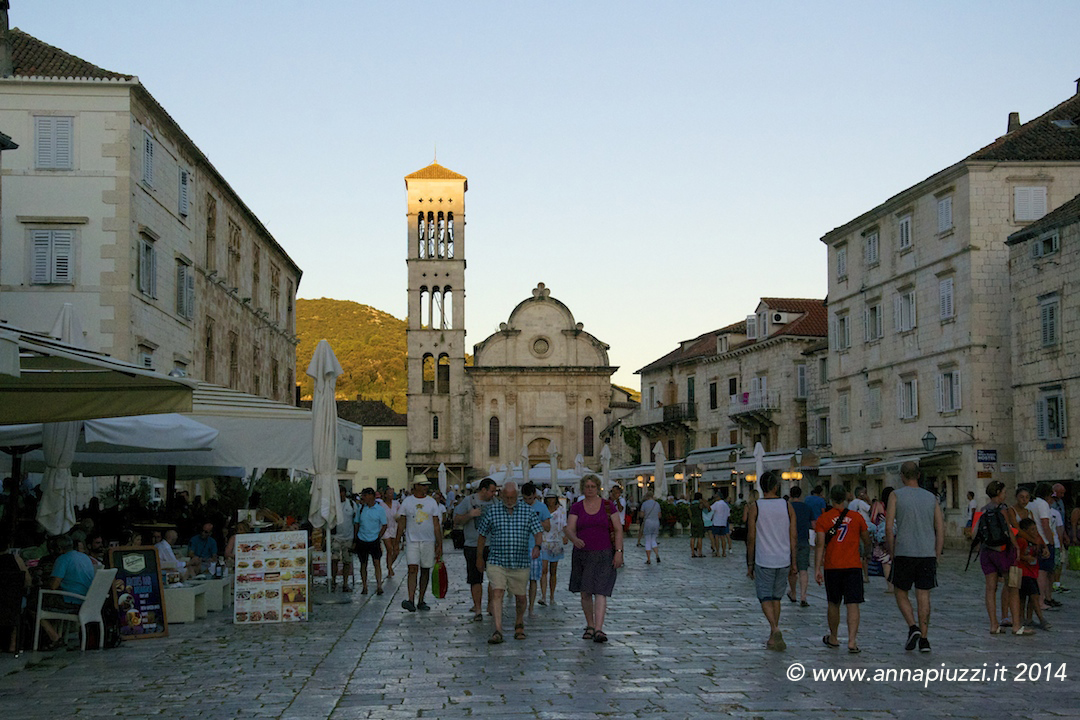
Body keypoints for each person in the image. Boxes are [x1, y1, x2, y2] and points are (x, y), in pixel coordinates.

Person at [885, 461, 944, 653]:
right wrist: (937, 551)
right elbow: (940, 527)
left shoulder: (896, 496)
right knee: (923, 594)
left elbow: (888, 526)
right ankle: (925, 639)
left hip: (904, 550)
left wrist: (892, 550)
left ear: (902, 475)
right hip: (926, 552)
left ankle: (913, 626)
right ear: (919, 475)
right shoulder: (931, 498)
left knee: (900, 591)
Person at [475, 481, 543, 644]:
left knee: (520, 597)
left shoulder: (528, 511)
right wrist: (479, 557)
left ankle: (519, 623)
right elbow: (482, 535)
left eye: (513, 497)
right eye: (507, 497)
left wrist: (537, 546)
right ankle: (498, 629)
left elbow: (538, 531)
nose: (510, 500)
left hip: (520, 562)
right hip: (497, 560)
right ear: (502, 495)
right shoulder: (492, 511)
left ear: (517, 496)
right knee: (497, 592)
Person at [565, 474, 623, 644]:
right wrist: (574, 539)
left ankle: (598, 628)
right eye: (587, 486)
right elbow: (569, 528)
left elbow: (618, 529)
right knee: (585, 591)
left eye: (593, 486)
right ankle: (589, 625)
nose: (589, 489)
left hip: (604, 553)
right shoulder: (577, 507)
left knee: (601, 591)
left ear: (598, 488)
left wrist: (619, 551)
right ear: (583, 488)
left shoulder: (608, 506)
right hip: (583, 554)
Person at [745, 470, 797, 651]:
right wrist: (794, 561)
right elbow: (794, 536)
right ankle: (772, 636)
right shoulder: (787, 506)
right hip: (783, 558)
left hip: (764, 558)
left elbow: (751, 537)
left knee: (764, 596)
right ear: (776, 486)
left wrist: (749, 564)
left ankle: (774, 628)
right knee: (776, 598)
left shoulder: (756, 507)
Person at [815, 484, 871, 653]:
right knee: (853, 603)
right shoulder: (857, 518)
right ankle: (852, 641)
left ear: (831, 498)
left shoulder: (823, 519)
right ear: (846, 498)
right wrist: (866, 554)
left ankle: (833, 637)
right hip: (853, 565)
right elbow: (867, 540)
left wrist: (817, 568)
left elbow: (819, 545)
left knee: (833, 603)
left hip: (833, 566)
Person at [976, 481, 1025, 636]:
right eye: (1004, 492)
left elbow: (974, 534)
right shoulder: (1004, 509)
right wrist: (1017, 547)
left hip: (987, 552)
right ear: (998, 493)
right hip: (1004, 551)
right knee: (1013, 587)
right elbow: (1010, 530)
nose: (1005, 494)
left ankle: (993, 625)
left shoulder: (982, 510)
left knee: (990, 588)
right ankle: (1017, 626)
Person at [38, 534, 95, 650]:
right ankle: (56, 635)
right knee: (48, 600)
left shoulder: (62, 559)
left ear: (59, 549)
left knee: (34, 605)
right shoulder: (85, 557)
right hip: (87, 600)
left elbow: (54, 586)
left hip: (72, 601)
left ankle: (54, 637)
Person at [453, 478, 497, 621]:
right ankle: (478, 608)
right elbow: (456, 520)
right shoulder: (468, 500)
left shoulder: (496, 503)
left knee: (494, 577)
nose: (493, 494)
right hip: (472, 544)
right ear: (483, 489)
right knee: (475, 578)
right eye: (491, 491)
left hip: (492, 544)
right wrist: (469, 515)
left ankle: (490, 605)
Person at [397, 476, 442, 612]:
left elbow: (436, 524)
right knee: (412, 569)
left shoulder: (432, 502)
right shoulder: (407, 502)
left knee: (425, 569)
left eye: (426, 485)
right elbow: (402, 522)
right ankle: (411, 599)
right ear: (416, 485)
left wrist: (439, 544)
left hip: (428, 540)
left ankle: (421, 599)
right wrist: (396, 541)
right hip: (412, 540)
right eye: (422, 485)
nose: (425, 487)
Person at [520, 482, 552, 614]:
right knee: (520, 579)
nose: (528, 501)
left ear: (534, 495)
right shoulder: (519, 506)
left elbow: (548, 527)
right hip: (520, 546)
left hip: (534, 546)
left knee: (533, 579)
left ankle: (531, 607)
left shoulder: (541, 507)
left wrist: (535, 522)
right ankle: (521, 605)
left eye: (530, 499)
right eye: (525, 499)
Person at [1015, 518, 1050, 631]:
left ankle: (1028, 619)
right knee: (1033, 595)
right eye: (1032, 530)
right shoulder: (1022, 541)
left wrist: (1044, 551)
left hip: (1033, 571)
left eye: (1035, 529)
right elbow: (1017, 555)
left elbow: (1042, 548)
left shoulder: (1037, 539)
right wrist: (1026, 558)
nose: (1035, 532)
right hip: (1023, 572)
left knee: (1029, 597)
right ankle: (1041, 619)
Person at [353, 487, 388, 596]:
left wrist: (379, 536)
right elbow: (357, 523)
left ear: (371, 496)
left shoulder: (380, 509)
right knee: (363, 563)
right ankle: (364, 586)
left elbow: (384, 525)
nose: (363, 498)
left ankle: (379, 585)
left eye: (365, 495)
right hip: (362, 538)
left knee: (376, 562)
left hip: (374, 539)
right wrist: (355, 538)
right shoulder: (361, 508)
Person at [1029, 483, 1058, 610]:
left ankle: (1036, 600)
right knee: (1043, 573)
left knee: (1036, 572)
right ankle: (1041, 601)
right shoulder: (1043, 504)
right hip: (1043, 541)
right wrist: (1051, 541)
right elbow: (1045, 524)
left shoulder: (1031, 504)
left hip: (1032, 541)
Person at [539, 489, 567, 606]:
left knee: (553, 571)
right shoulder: (542, 509)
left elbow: (564, 524)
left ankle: (552, 595)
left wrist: (565, 536)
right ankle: (544, 595)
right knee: (544, 569)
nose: (551, 500)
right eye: (549, 498)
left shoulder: (561, 510)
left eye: (552, 498)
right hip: (545, 541)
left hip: (556, 541)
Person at [789, 486, 813, 606]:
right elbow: (813, 524)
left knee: (793, 569)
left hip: (790, 541)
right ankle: (803, 596)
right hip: (804, 540)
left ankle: (793, 593)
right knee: (803, 569)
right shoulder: (807, 507)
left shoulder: (787, 507)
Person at [331, 486, 358, 592]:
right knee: (334, 560)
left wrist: (355, 538)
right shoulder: (333, 505)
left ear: (344, 493)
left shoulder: (352, 504)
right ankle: (333, 581)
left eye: (341, 492)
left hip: (348, 537)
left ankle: (345, 583)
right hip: (336, 537)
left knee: (347, 561)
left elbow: (356, 522)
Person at [870, 487, 894, 593]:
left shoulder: (879, 505)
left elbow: (872, 518)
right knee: (894, 560)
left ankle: (890, 586)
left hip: (882, 536)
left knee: (885, 561)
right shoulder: (896, 505)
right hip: (895, 534)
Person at [849, 487, 872, 582]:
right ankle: (865, 576)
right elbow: (872, 510)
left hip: (853, 529)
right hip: (863, 528)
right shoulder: (862, 503)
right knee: (864, 554)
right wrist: (868, 500)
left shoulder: (851, 504)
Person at [377, 488, 400, 578]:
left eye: (392, 493)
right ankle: (390, 568)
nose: (391, 495)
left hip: (395, 527)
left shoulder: (396, 504)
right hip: (385, 528)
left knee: (395, 551)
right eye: (389, 493)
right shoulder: (381, 505)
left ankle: (389, 564)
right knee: (389, 549)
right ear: (385, 495)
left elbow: (400, 514)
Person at [639, 492, 661, 564]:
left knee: (648, 540)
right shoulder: (657, 504)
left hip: (648, 522)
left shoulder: (644, 504)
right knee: (653, 539)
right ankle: (657, 554)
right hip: (656, 522)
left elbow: (642, 515)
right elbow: (659, 515)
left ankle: (648, 559)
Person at [710, 493, 732, 558]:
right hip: (723, 523)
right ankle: (724, 552)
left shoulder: (717, 503)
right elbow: (728, 514)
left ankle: (718, 552)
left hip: (716, 522)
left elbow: (710, 509)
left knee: (716, 538)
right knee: (723, 538)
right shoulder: (726, 505)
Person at [688, 492, 706, 558]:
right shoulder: (699, 504)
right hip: (699, 521)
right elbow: (705, 507)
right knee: (699, 537)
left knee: (693, 537)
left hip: (693, 521)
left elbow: (689, 513)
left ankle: (692, 553)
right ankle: (699, 553)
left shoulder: (691, 504)